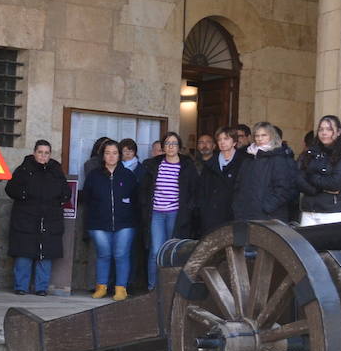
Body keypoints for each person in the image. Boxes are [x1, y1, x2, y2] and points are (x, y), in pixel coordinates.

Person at [5, 140, 69, 296]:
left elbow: (65, 191)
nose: (43, 156)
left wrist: (58, 201)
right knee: (24, 254)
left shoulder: (56, 170)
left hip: (49, 218)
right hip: (26, 217)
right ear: (34, 153)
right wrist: (25, 195)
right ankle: (21, 286)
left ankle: (41, 287)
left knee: (45, 255)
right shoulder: (24, 169)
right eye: (40, 152)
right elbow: (11, 188)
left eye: (46, 153)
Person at [138, 130, 198, 290]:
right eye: (167, 144)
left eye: (174, 143)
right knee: (155, 251)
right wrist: (145, 206)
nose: (170, 147)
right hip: (156, 213)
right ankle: (153, 288)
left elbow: (194, 191)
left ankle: (170, 289)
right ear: (163, 147)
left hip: (176, 213)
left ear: (179, 147)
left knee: (173, 251)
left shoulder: (187, 166)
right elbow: (144, 189)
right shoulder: (153, 165)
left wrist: (188, 209)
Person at [82, 139, 139, 301]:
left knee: (121, 254)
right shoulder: (94, 175)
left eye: (115, 153)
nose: (111, 156)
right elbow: (87, 198)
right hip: (99, 223)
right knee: (104, 254)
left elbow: (135, 200)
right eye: (108, 153)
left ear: (119, 155)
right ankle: (101, 287)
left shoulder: (128, 175)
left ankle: (121, 288)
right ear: (103, 156)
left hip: (125, 223)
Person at [232, 122, 298, 221]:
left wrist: (267, 207)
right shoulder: (248, 159)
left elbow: (283, 189)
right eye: (257, 135)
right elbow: (239, 186)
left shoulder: (279, 158)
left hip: (269, 215)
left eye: (264, 135)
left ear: (271, 136)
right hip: (246, 214)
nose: (260, 138)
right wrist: (238, 206)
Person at [299, 115, 341, 225]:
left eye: (329, 129)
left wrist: (311, 177)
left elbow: (335, 183)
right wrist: (317, 189)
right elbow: (298, 178)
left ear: (338, 132)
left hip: (335, 212)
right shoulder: (311, 152)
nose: (324, 133)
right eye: (321, 129)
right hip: (309, 211)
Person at [198, 127, 243, 234]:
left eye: (226, 139)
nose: (222, 142)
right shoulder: (210, 164)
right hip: (211, 215)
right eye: (219, 139)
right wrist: (203, 210)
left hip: (234, 214)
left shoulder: (244, 162)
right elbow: (202, 190)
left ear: (234, 142)